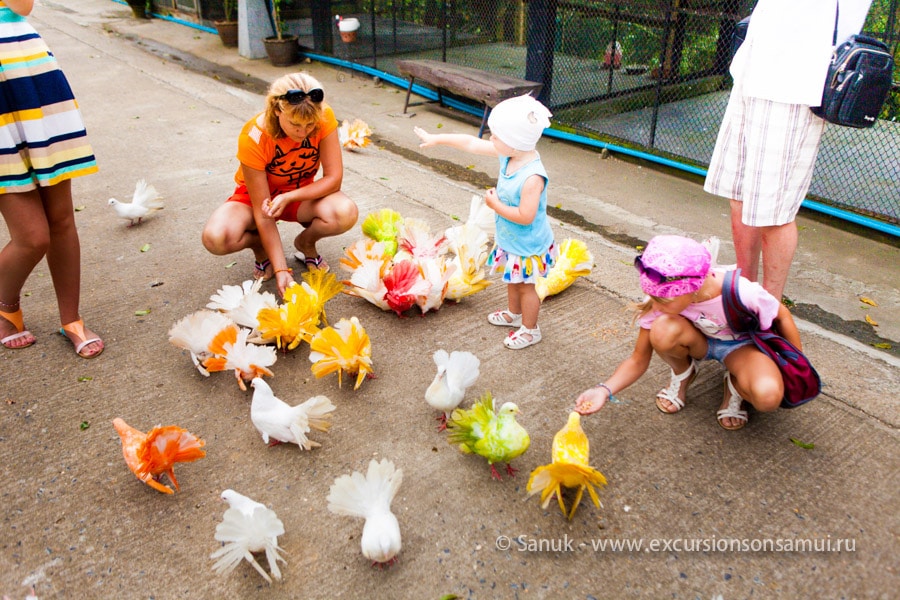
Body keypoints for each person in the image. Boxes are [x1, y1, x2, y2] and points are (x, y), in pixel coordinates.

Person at [704, 0, 873, 303]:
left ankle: (769, 310)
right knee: (739, 195)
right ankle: (743, 296)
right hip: (753, 66)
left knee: (774, 211)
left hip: (796, 79)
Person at [574, 235, 804, 430]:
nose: (655, 307)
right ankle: (683, 374)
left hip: (740, 348)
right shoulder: (663, 299)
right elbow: (637, 359)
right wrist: (603, 390)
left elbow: (781, 314)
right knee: (662, 329)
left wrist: (796, 363)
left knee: (768, 397)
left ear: (691, 290)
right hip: (699, 342)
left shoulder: (743, 292)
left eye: (662, 301)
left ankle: (735, 383)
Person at [0, 0, 104, 358]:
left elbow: (23, 5)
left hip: (29, 73)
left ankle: (71, 319)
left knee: (61, 218)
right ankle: (5, 304)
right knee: (31, 236)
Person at [414, 94, 556, 349]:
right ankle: (514, 315)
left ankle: (531, 329)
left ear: (514, 142)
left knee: (527, 287)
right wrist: (438, 139)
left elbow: (526, 216)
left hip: (528, 244)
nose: (491, 139)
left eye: (496, 136)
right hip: (512, 240)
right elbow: (471, 143)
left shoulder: (532, 177)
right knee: (513, 280)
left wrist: (496, 206)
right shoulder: (511, 154)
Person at [202, 72, 358, 298]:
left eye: (310, 125)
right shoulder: (253, 136)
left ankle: (305, 243)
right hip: (254, 199)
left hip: (299, 193)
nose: (303, 132)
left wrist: (289, 198)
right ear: (277, 110)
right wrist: (281, 269)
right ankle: (260, 247)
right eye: (295, 124)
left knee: (345, 212)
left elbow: (333, 179)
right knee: (215, 238)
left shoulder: (324, 116)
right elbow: (263, 211)